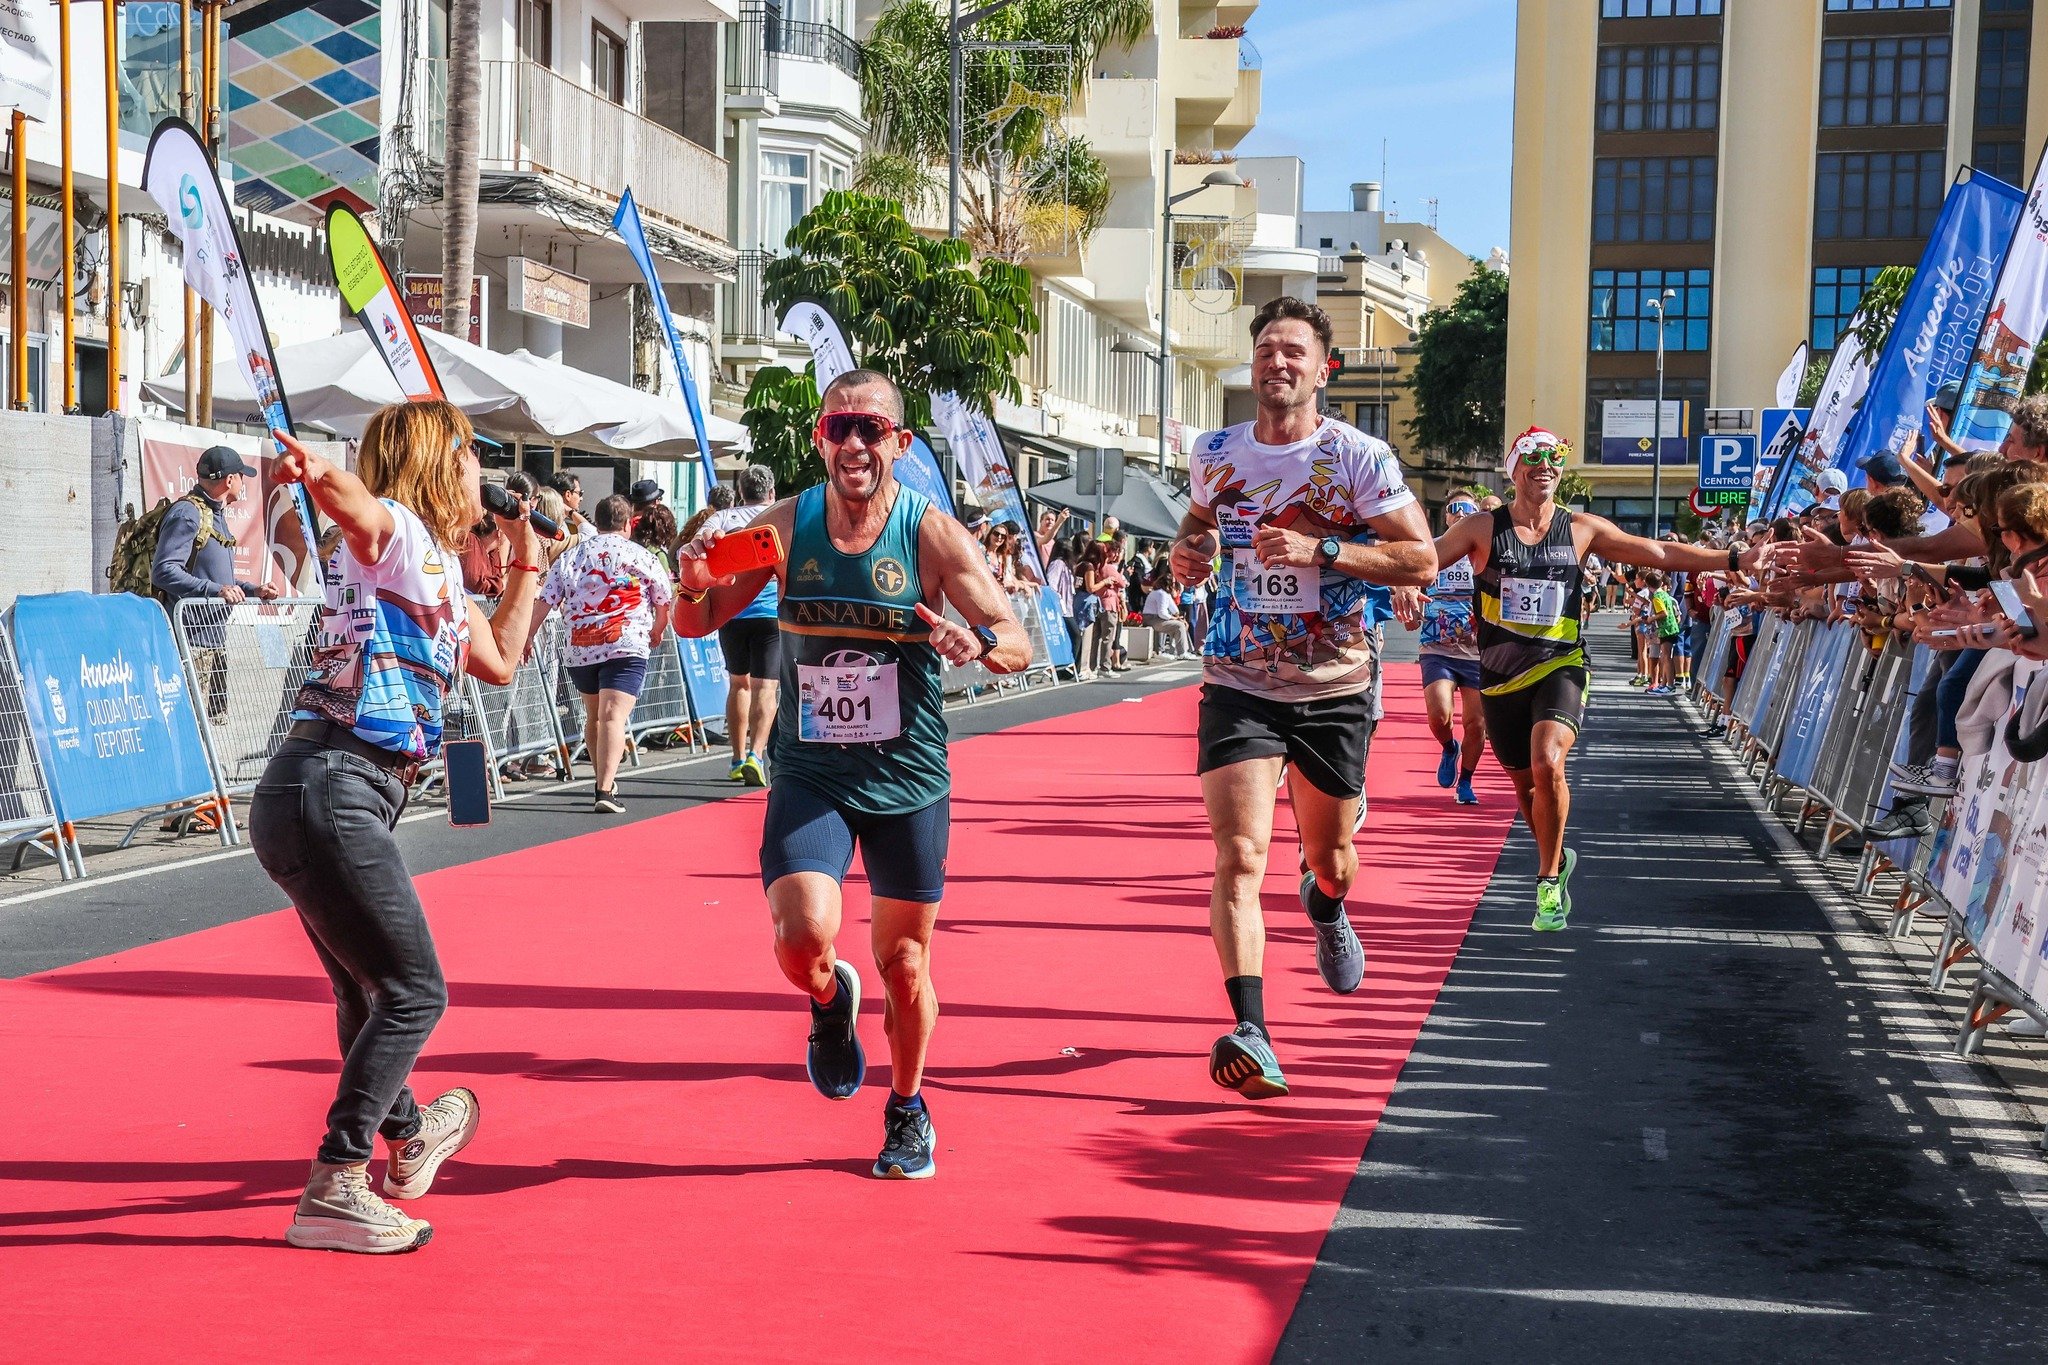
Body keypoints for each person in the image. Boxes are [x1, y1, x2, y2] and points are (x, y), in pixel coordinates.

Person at [673, 368, 1030, 1179]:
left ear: (900, 443)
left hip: (908, 776)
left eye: (872, 429)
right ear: (819, 439)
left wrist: (978, 643)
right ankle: (830, 1000)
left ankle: (906, 1107)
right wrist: (690, 585)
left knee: (905, 964)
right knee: (802, 936)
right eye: (841, 428)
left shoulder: (931, 534)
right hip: (812, 772)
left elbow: (1015, 638)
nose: (856, 444)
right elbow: (697, 618)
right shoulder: (781, 527)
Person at [254, 402, 542, 1253]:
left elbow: (499, 659)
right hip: (335, 783)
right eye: (471, 454)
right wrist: (319, 474)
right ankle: (338, 1178)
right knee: (416, 992)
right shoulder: (400, 534)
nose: (481, 470)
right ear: (439, 461)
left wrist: (527, 556)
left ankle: (409, 1136)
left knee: (365, 989)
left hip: (325, 790)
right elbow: (362, 510)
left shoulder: (439, 570)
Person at [1167, 296, 1435, 1099]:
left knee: (1331, 858)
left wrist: (1322, 548)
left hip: (1333, 684)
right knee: (1240, 855)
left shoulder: (1358, 457)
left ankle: (1325, 904)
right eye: (1266, 350)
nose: (1277, 362)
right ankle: (1252, 1029)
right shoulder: (1215, 451)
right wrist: (1189, 551)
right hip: (1238, 678)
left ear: (1324, 370)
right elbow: (1198, 525)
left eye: (1294, 352)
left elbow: (1420, 559)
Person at [1431, 426, 1762, 931]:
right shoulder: (1481, 528)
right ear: (1513, 469)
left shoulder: (1581, 527)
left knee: (1548, 761)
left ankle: (1546, 882)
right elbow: (1425, 559)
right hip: (1499, 678)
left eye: (1554, 458)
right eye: (1533, 458)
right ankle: (1557, 857)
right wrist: (1400, 583)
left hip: (1559, 664)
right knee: (1526, 788)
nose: (1544, 466)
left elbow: (1656, 553)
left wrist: (1733, 558)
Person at [529, 493, 676, 814]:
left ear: (597, 522)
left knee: (595, 716)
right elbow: (663, 597)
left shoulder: (572, 556)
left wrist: (528, 635)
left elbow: (546, 598)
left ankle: (603, 781)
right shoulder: (641, 555)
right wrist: (658, 627)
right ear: (627, 524)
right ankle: (604, 789)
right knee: (613, 716)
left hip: (581, 646)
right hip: (625, 643)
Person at [152, 445, 282, 726]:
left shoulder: (215, 515)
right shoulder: (187, 513)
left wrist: (253, 590)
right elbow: (163, 571)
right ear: (230, 480)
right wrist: (216, 591)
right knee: (190, 727)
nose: (243, 483)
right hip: (191, 644)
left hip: (213, 642)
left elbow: (218, 578)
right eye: (242, 476)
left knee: (210, 728)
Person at [1399, 493, 1484, 804]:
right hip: (1437, 646)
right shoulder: (1431, 549)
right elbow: (1405, 577)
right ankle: (1449, 747)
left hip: (1478, 651)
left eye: (1468, 509)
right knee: (1439, 716)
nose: (1461, 513)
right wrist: (1407, 599)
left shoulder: (1486, 551)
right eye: (1454, 508)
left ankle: (1466, 781)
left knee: (1476, 724)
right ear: (1446, 516)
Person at [709, 465, 782, 785]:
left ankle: (737, 758)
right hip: (770, 614)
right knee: (766, 687)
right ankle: (756, 754)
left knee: (738, 684)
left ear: (740, 493)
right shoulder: (780, 516)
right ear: (771, 492)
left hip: (732, 613)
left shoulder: (724, 517)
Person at [1141, 568, 1193, 657]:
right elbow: (1162, 613)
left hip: (1157, 618)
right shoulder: (1161, 594)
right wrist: (1175, 618)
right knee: (1179, 626)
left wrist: (1179, 618)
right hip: (1151, 619)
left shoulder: (1166, 594)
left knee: (1181, 624)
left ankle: (1182, 650)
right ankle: (1182, 652)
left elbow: (1174, 609)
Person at [546, 470, 587, 539]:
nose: (581, 498)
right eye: (579, 493)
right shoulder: (555, 525)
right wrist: (571, 512)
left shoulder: (553, 520)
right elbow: (589, 532)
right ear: (568, 495)